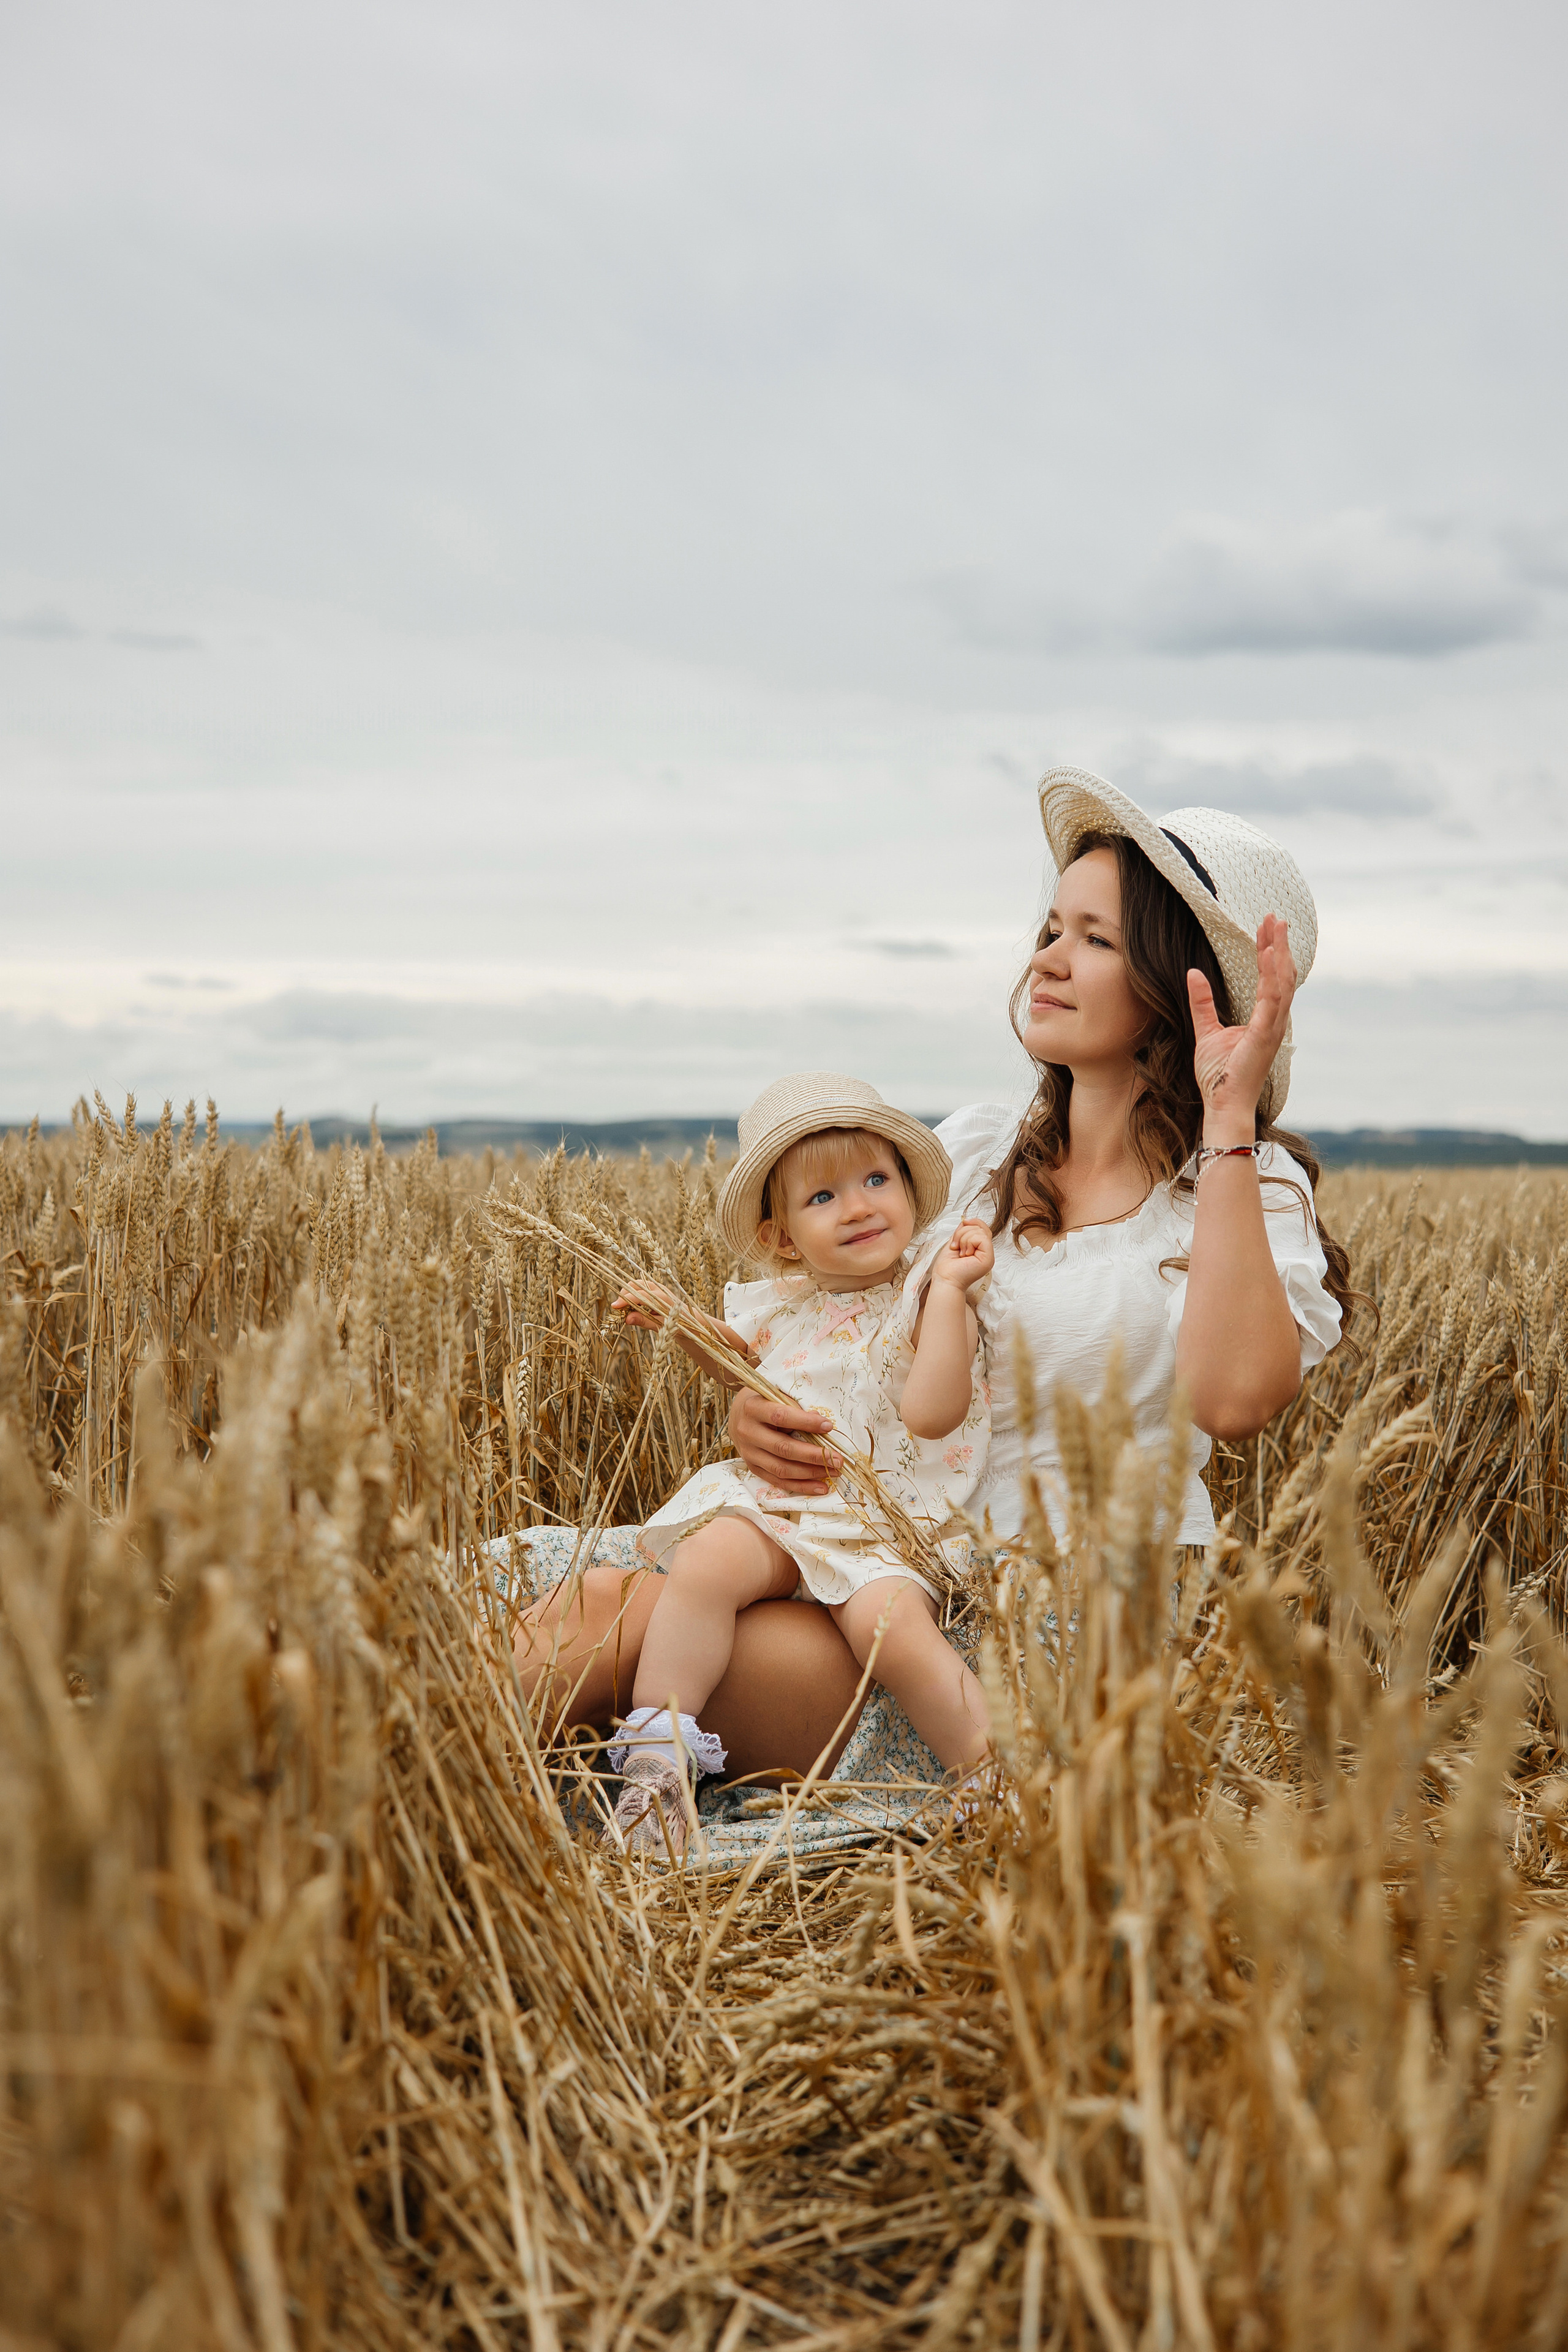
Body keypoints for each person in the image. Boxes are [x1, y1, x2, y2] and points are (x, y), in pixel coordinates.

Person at [510, 769, 1354, 1782]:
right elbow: (857, 1329)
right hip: (874, 1556)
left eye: (1096, 939)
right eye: (1050, 928)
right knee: (523, 1589)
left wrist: (1226, 1119)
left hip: (1028, 1637)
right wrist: (761, 1412)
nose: (1047, 958)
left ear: (1185, 986)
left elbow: (1233, 1397)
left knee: (615, 1616)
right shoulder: (984, 1152)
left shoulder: (1240, 1193)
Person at [601, 1072, 995, 1856]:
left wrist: (950, 1294)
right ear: (783, 1237)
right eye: (822, 1198)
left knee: (895, 1629)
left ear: (911, 1193)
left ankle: (994, 1784)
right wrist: (681, 1324)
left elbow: (933, 1412)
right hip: (787, 1506)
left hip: (889, 1523)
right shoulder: (783, 1301)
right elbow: (738, 1363)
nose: (856, 1206)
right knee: (708, 1561)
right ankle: (656, 1767)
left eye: (876, 1180)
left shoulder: (926, 1291)